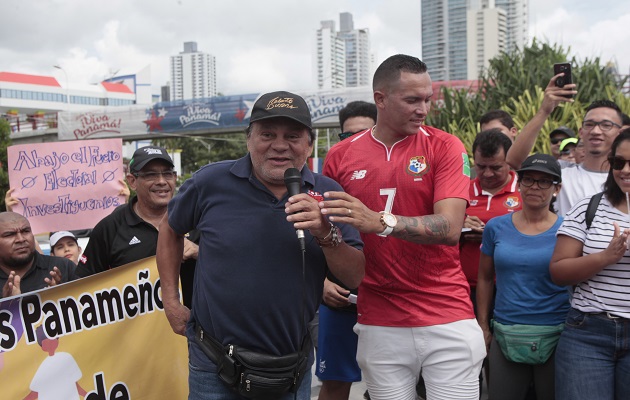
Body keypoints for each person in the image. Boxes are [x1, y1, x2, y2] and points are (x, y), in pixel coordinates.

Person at [156, 90, 365, 400]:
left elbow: (356, 276)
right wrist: (171, 302)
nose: (279, 145)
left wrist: (324, 231)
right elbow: (170, 230)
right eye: (267, 134)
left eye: (292, 136)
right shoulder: (209, 182)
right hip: (212, 361)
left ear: (309, 144)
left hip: (289, 367)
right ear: (248, 138)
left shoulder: (329, 193)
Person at [322, 54, 485, 400]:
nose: (423, 109)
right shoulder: (339, 156)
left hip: (447, 314)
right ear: (380, 99)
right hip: (379, 316)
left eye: (427, 99)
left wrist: (379, 220)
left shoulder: (445, 145)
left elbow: (451, 227)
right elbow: (326, 230)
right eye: (412, 100)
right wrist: (321, 278)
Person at [477, 154, 569, 400]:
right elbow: (485, 278)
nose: (534, 187)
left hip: (556, 332)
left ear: (556, 189)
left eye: (544, 182)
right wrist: (483, 326)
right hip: (507, 332)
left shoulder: (568, 230)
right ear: (518, 184)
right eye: (528, 180)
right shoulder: (496, 227)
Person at [549, 129, 630, 400]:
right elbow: (559, 272)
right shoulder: (589, 207)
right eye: (618, 163)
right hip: (589, 333)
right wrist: (605, 257)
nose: (625, 170)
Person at [76, 145, 198, 307]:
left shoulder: (197, 218)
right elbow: (82, 287)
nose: (161, 181)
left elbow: (229, 266)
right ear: (132, 181)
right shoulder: (110, 228)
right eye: (151, 175)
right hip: (139, 331)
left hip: (194, 329)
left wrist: (198, 252)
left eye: (167, 173)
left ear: (175, 177)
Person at [317, 100, 376, 400]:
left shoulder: (400, 179)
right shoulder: (320, 185)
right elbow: (297, 243)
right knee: (337, 383)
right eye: (347, 135)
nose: (354, 143)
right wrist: (321, 284)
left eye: (364, 134)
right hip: (338, 299)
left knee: (391, 383)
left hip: (388, 299)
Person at [505, 74, 624, 216]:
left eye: (606, 125)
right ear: (581, 132)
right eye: (589, 125)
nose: (596, 131)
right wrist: (544, 110)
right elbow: (514, 159)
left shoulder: (624, 178)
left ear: (620, 132)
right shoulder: (561, 172)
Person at [461, 128, 521, 304]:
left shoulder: (525, 191)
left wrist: (491, 236)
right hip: (465, 288)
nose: (487, 174)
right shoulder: (459, 190)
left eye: (495, 167)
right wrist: (459, 225)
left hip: (510, 288)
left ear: (509, 162)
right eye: (480, 166)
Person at [0, 212, 76, 298]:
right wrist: (6, 305)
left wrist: (63, 297)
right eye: (9, 234)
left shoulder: (64, 266)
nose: (21, 239)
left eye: (26, 231)